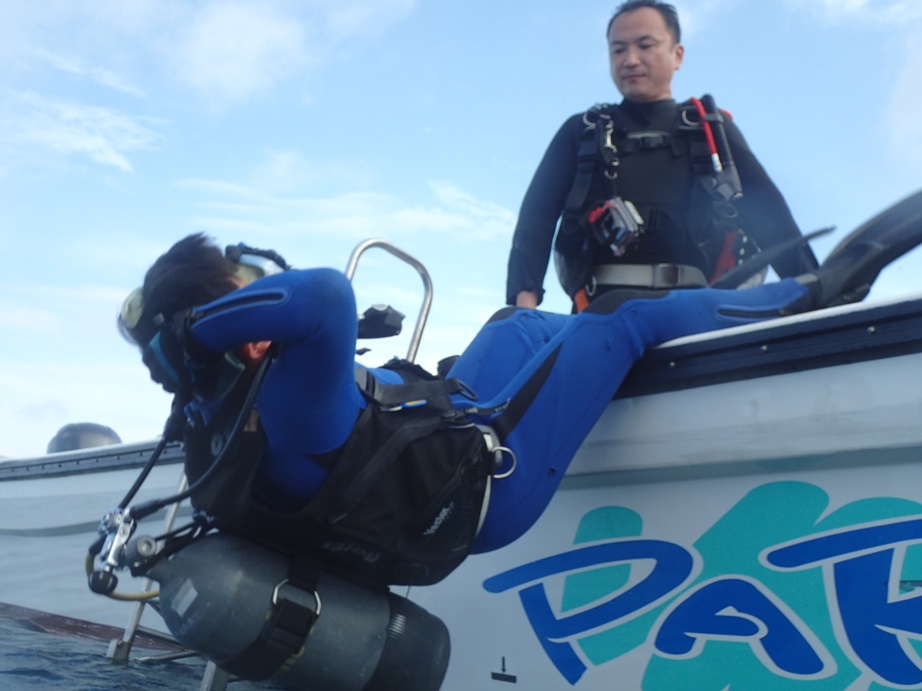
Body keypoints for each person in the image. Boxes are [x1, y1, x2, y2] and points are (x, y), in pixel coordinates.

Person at [119, 233, 868, 585]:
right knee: (619, 316)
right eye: (247, 289)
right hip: (484, 487)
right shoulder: (280, 392)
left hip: (439, 442)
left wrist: (188, 340)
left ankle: (662, 326)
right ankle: (806, 295)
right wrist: (199, 330)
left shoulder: (217, 417)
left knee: (513, 325)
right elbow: (323, 293)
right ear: (230, 328)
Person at [507, 0, 818, 312]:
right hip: (597, 314)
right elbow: (536, 220)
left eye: (645, 45)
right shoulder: (581, 132)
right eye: (618, 50)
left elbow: (772, 221)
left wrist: (818, 295)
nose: (630, 60)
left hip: (696, 317)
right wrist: (523, 309)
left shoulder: (712, 131)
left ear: (677, 55)